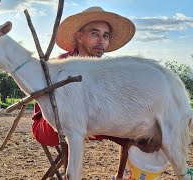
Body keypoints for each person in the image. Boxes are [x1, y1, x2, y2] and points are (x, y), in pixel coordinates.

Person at [31, 6, 164, 179]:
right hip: (48, 124)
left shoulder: (104, 71)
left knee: (140, 136)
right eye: (95, 34)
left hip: (90, 121)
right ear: (79, 36)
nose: (101, 41)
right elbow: (63, 113)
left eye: (105, 35)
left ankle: (120, 176)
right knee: (75, 123)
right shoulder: (62, 64)